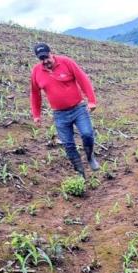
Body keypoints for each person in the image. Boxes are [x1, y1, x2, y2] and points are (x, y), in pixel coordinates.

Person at [30, 43, 100, 178]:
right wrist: (36, 115)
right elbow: (35, 94)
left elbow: (83, 79)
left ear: (51, 53)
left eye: (46, 57)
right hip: (59, 114)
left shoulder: (66, 62)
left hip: (78, 108)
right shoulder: (36, 71)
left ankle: (90, 157)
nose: (45, 61)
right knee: (68, 144)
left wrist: (91, 100)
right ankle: (80, 173)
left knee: (87, 134)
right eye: (41, 59)